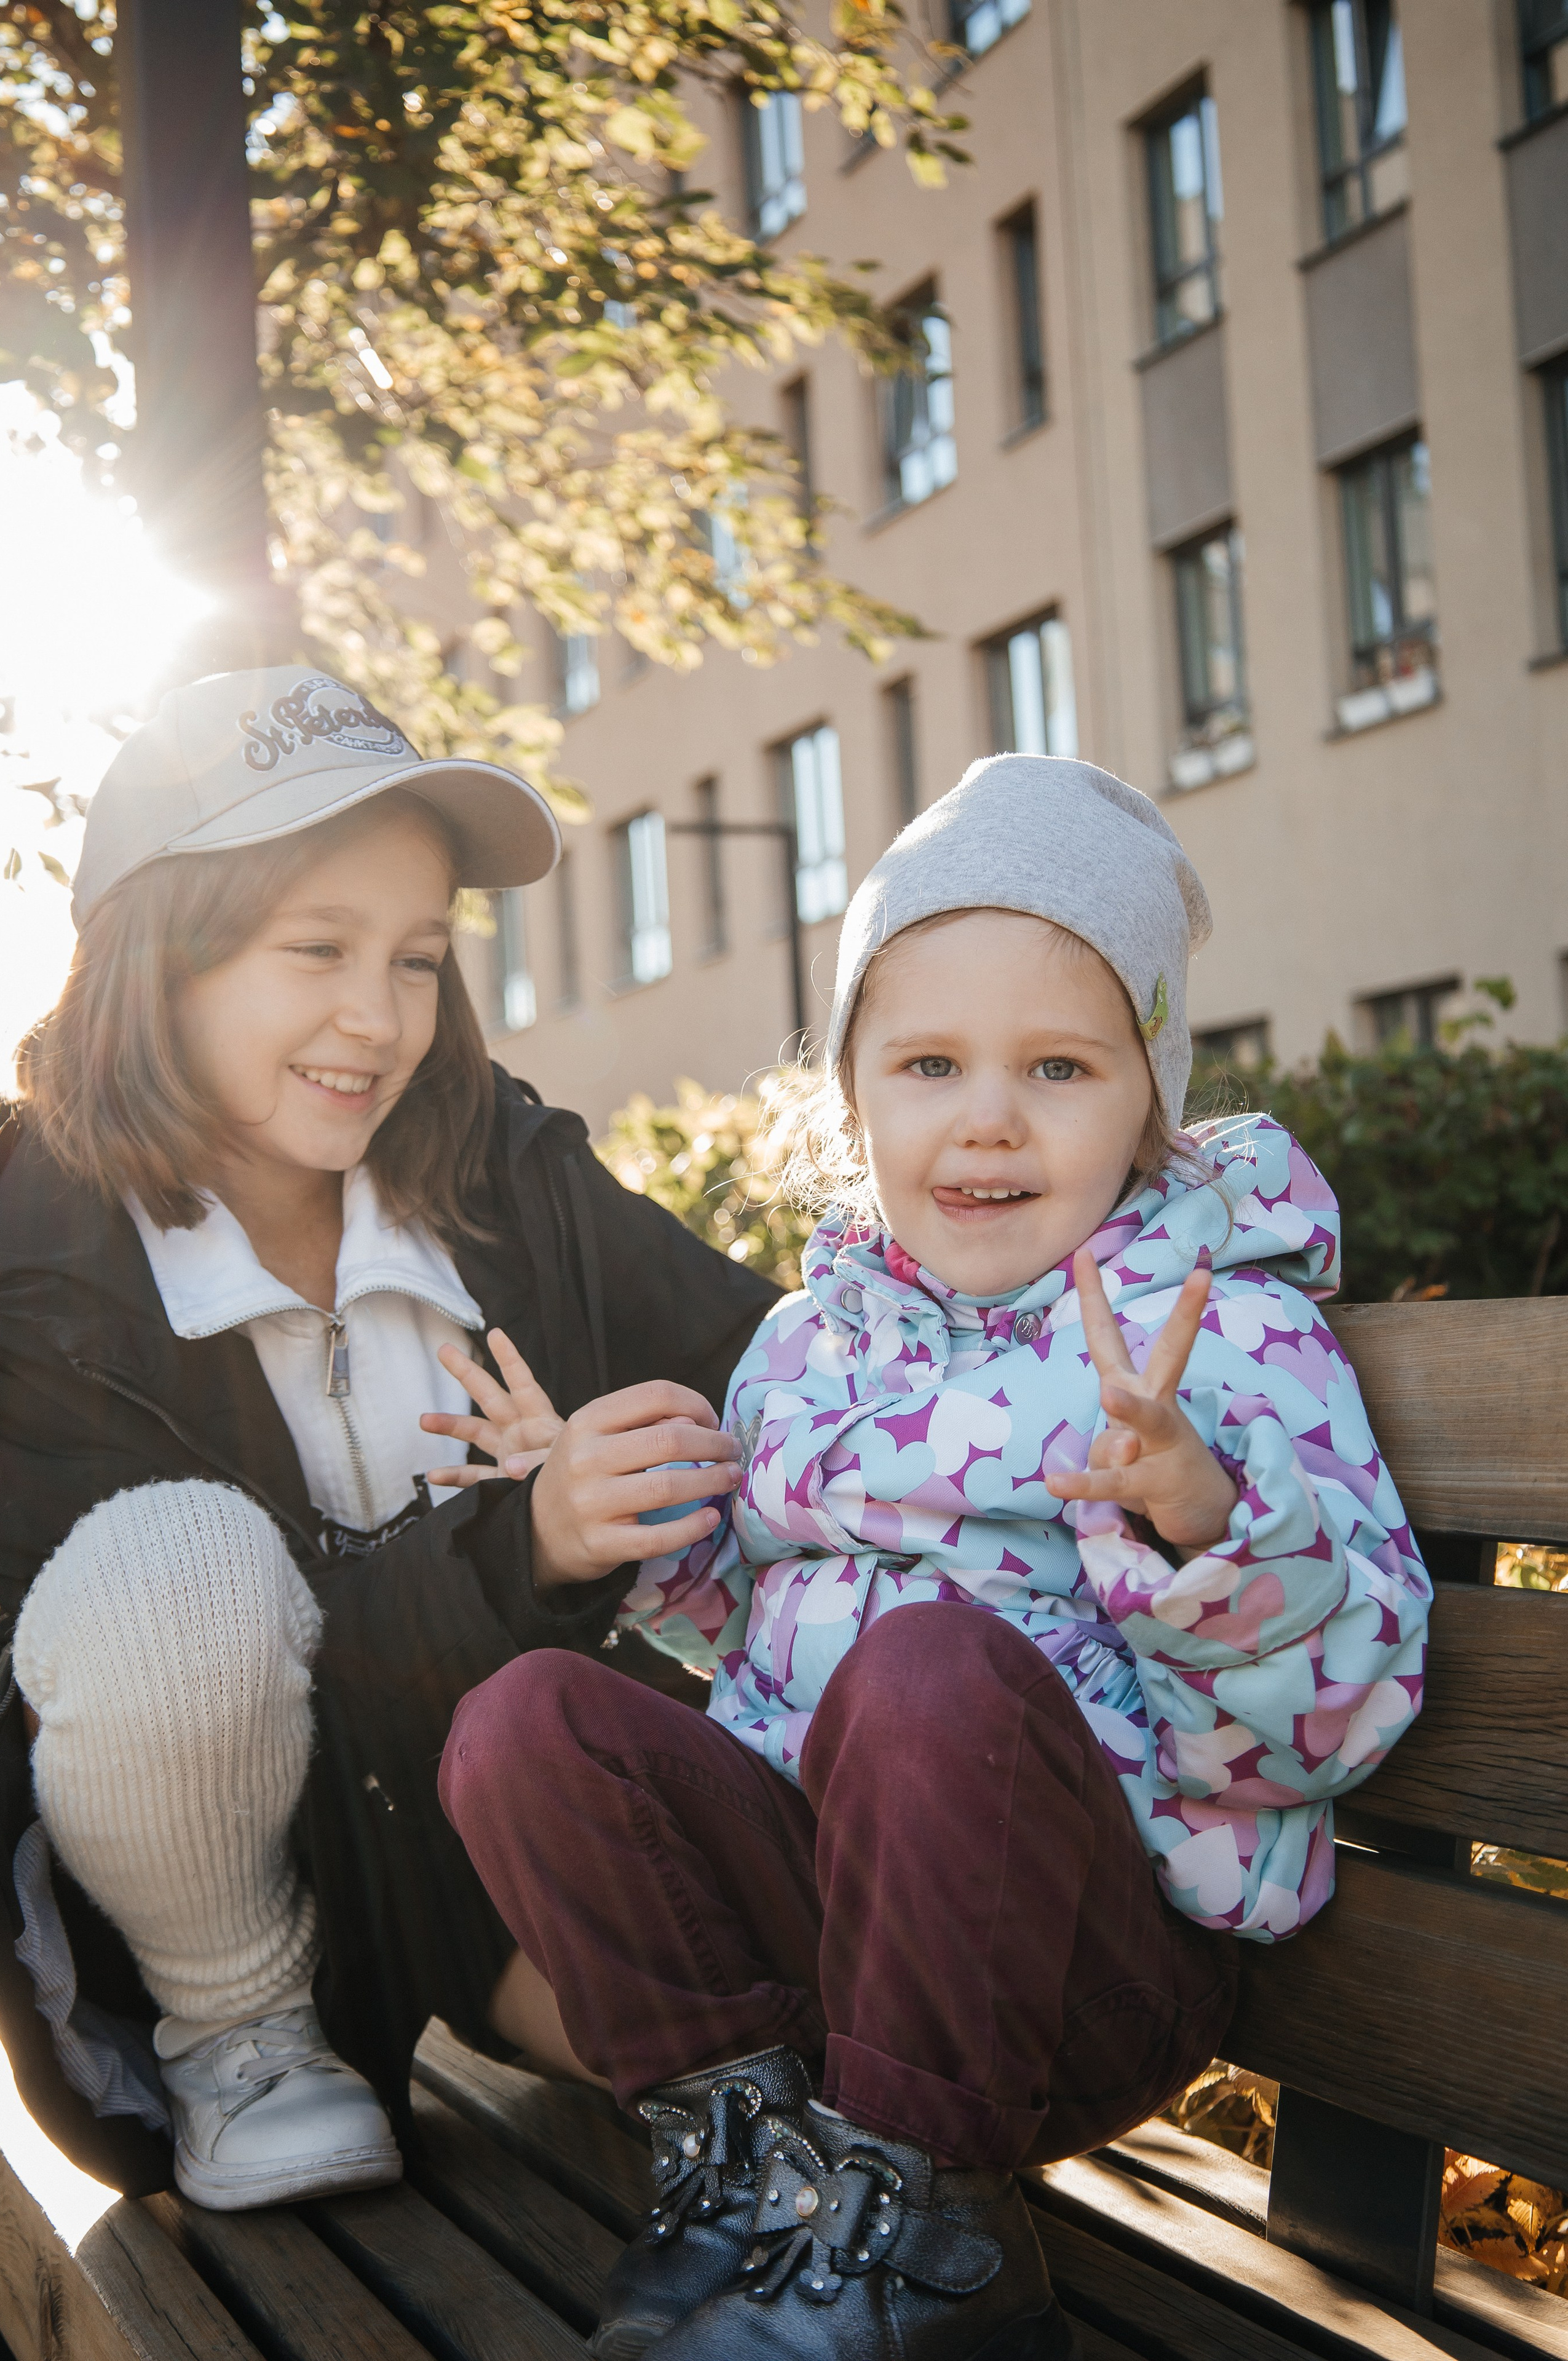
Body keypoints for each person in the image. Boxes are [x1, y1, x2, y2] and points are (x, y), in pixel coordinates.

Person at [440, 753, 1433, 2361]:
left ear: (1147, 1092)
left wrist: (1197, 1519)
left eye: (1056, 1066)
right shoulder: (810, 1341)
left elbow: (1344, 1716)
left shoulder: (1223, 1334)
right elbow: (760, 1640)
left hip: (1073, 1974)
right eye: (928, 1064)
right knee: (523, 1721)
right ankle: (761, 2180)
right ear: (857, 1095)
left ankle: (926, 2231)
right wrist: (639, 1527)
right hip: (838, 1949)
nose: (986, 1118)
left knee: (927, 1675)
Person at [0, 665, 774, 2210]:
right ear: (161, 965)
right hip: (205, 1920)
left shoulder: (507, 1173)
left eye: (417, 959)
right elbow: (249, 1653)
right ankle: (250, 2040)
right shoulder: (32, 1255)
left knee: (786, 2025)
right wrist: (527, 1540)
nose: (381, 1018)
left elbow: (780, 1370)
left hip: (490, 1837)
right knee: (173, 1569)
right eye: (317, 952)